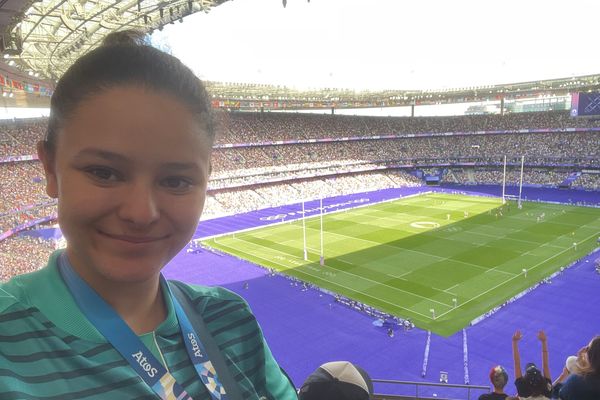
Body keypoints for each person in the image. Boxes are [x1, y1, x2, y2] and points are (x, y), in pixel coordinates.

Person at [0, 31, 297, 399]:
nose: (141, 213)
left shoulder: (230, 320)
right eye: (104, 173)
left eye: (175, 180)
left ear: (207, 179)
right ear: (49, 170)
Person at [512, 330, 552, 399]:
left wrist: (514, 342)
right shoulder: (547, 391)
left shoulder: (522, 390)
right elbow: (545, 366)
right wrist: (544, 342)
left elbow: (517, 364)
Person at [558, 335, 600, 400]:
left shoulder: (575, 381)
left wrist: (562, 377)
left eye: (588, 349)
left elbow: (558, 395)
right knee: (571, 360)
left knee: (571, 361)